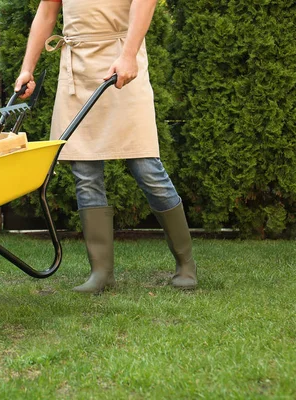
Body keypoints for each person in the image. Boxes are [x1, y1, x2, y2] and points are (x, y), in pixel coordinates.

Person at [14, 0, 197, 293]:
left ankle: (186, 265)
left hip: (123, 63)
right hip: (77, 66)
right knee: (85, 172)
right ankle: (100, 273)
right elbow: (47, 11)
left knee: (146, 168)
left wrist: (128, 55)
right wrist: (27, 69)